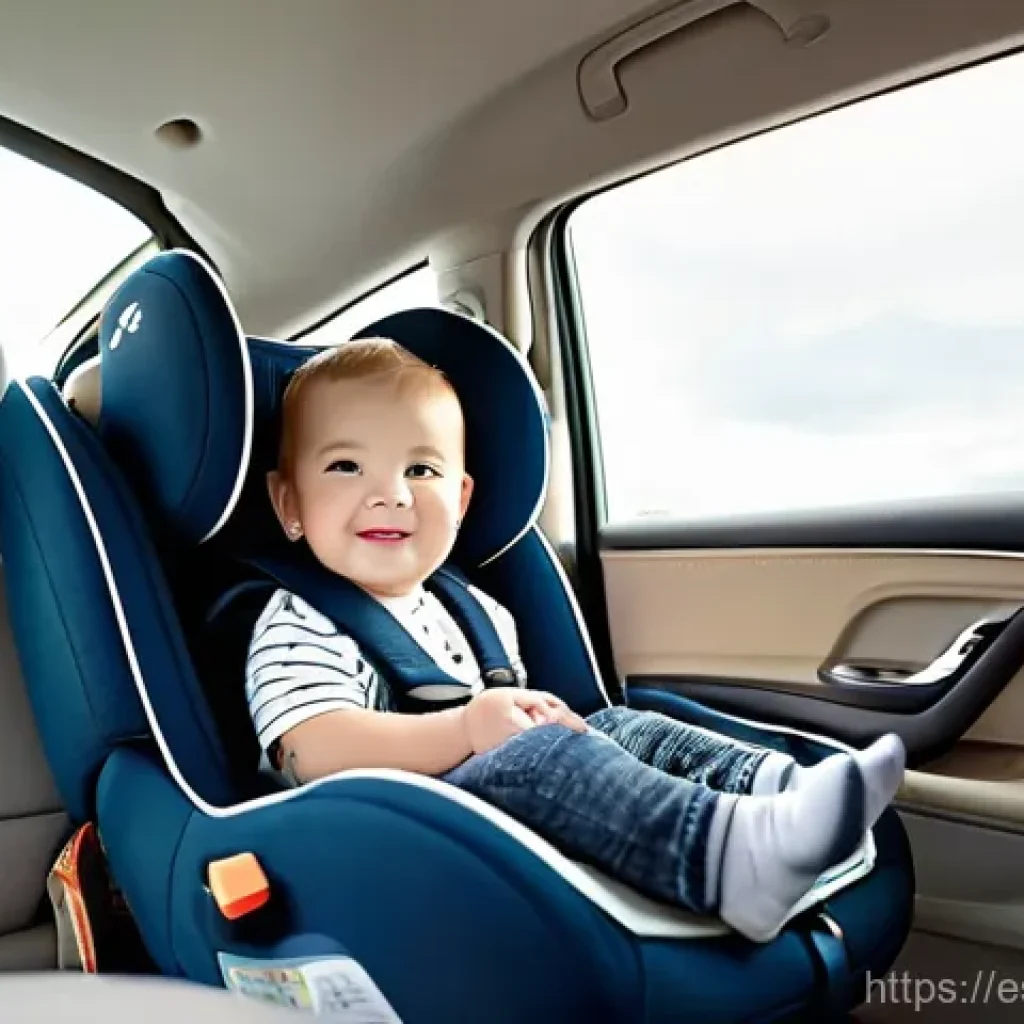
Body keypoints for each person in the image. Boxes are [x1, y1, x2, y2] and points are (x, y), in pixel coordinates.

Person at [245, 338, 905, 943]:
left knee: (619, 725)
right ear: (289, 504)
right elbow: (315, 750)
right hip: (384, 834)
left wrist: (532, 716)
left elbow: (515, 722)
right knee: (538, 759)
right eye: (345, 466)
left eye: (420, 469)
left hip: (482, 808)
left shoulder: (477, 611)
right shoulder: (298, 622)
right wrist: (469, 727)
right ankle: (724, 860)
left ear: (462, 499)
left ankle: (782, 794)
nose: (390, 495)